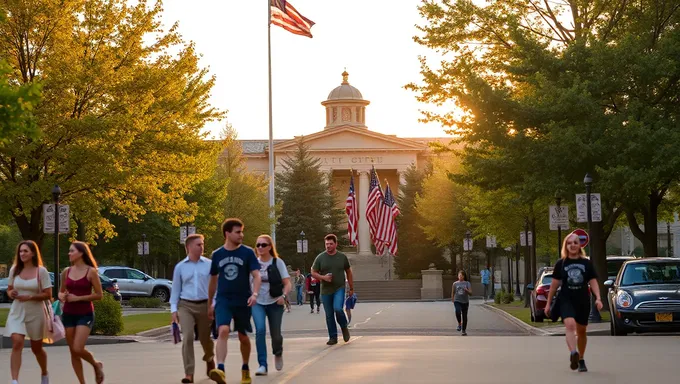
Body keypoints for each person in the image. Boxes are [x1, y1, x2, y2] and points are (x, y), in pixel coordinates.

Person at [208, 218, 262, 384]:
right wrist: (210, 302)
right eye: (238, 232)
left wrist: (254, 294)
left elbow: (256, 275)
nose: (241, 235)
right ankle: (221, 369)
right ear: (227, 233)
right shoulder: (217, 255)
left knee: (243, 337)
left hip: (243, 300)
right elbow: (213, 280)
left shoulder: (247, 253)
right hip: (224, 299)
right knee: (222, 330)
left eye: (241, 231)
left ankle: (245, 368)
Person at [545, 232, 602, 373]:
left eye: (575, 242)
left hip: (582, 300)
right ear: (566, 245)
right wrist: (548, 303)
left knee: (581, 331)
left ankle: (581, 359)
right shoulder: (561, 263)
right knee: (570, 325)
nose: (573, 245)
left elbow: (593, 281)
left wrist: (598, 298)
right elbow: (554, 285)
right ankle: (573, 353)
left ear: (580, 245)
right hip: (566, 299)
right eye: (569, 243)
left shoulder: (586, 263)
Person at [170, 234, 215, 384]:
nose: (201, 247)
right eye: (198, 245)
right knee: (188, 337)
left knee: (205, 339)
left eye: (202, 244)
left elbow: (215, 287)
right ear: (188, 247)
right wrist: (173, 310)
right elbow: (175, 290)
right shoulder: (180, 267)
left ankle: (209, 358)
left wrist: (213, 304)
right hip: (186, 305)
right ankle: (189, 373)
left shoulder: (209, 264)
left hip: (204, 305)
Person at [6, 240, 53, 384]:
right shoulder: (14, 270)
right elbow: (9, 290)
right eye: (20, 251)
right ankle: (14, 380)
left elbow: (48, 294)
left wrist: (31, 296)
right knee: (17, 342)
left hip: (36, 312)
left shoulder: (41, 271)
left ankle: (44, 373)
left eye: (25, 251)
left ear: (33, 253)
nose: (22, 254)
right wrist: (11, 293)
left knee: (36, 348)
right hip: (17, 310)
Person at [58, 241, 105, 384]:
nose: (69, 253)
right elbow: (60, 292)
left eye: (72, 251)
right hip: (68, 314)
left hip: (85, 314)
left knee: (78, 348)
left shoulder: (91, 272)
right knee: (73, 351)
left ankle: (96, 364)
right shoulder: (66, 271)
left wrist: (78, 298)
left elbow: (99, 295)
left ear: (81, 253)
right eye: (69, 251)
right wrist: (62, 296)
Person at [251, 234, 292, 376]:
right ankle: (262, 364)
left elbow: (287, 283)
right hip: (258, 303)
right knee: (260, 330)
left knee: (276, 334)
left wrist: (284, 296)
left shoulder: (277, 262)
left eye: (263, 245)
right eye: (258, 245)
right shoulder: (253, 263)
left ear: (270, 247)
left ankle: (278, 352)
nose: (260, 248)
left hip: (275, 302)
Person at [311, 234, 354, 345]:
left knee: (338, 309)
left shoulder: (342, 257)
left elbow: (349, 271)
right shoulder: (320, 257)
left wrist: (351, 287)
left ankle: (344, 326)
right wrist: (323, 277)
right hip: (325, 290)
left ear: (336, 244)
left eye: (330, 244)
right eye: (326, 244)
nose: (328, 246)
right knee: (329, 315)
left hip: (339, 288)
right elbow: (313, 272)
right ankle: (333, 337)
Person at [452, 270, 472, 336]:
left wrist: (467, 290)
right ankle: (459, 323)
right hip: (457, 300)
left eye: (461, 275)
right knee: (457, 311)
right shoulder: (455, 283)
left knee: (464, 316)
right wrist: (452, 299)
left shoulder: (467, 283)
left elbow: (471, 293)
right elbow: (453, 292)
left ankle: (463, 330)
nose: (460, 277)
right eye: (459, 275)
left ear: (464, 276)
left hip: (465, 302)